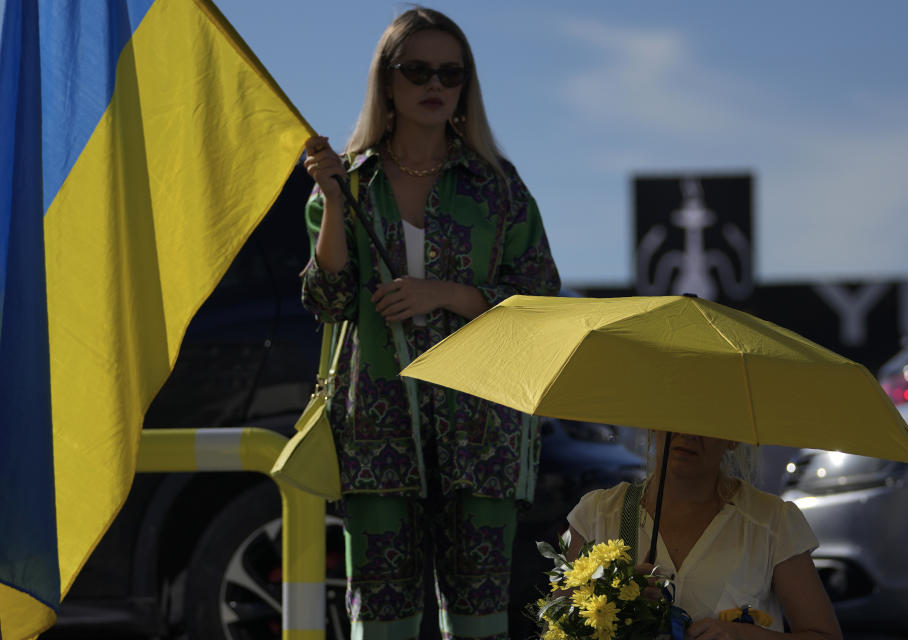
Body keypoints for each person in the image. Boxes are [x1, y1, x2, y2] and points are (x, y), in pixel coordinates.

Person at [299, 7, 561, 639]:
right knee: (381, 622)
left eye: (451, 71)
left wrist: (444, 293)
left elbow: (540, 299)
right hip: (376, 432)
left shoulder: (497, 187)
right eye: (416, 70)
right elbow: (328, 299)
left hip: (483, 430)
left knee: (478, 622)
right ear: (386, 82)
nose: (434, 83)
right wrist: (333, 202)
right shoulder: (350, 182)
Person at [565, 431, 843, 640]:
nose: (689, 433)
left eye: (707, 419)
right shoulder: (598, 514)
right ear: (654, 423)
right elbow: (559, 623)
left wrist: (742, 635)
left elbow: (823, 634)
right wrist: (617, 601)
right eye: (678, 413)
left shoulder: (772, 522)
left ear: (733, 438)